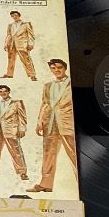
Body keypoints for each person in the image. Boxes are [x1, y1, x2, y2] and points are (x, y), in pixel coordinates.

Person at [30, 59, 77, 192]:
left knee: (74, 154)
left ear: (65, 68)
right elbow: (45, 104)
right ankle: (45, 184)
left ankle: (82, 183)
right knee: (48, 154)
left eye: (59, 67)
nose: (57, 70)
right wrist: (39, 121)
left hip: (67, 123)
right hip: (50, 123)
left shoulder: (72, 83)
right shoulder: (48, 85)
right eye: (53, 68)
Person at [0, 85, 28, 180]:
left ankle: (22, 172)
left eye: (5, 91)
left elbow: (22, 116)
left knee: (16, 151)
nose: (3, 93)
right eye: (0, 92)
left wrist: (22, 128)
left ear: (9, 92)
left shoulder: (17, 103)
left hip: (11, 130)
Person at [4, 10, 37, 80]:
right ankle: (9, 74)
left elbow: (31, 35)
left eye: (16, 15)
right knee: (11, 59)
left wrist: (31, 43)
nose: (14, 17)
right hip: (12, 44)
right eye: (13, 16)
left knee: (26, 59)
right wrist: (6, 43)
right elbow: (9, 35)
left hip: (22, 44)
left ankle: (32, 75)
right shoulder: (10, 25)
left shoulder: (26, 24)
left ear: (19, 15)